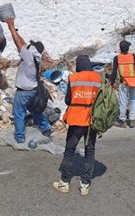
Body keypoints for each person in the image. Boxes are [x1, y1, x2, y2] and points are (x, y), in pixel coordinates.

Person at [53, 55, 102, 196]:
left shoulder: (74, 78)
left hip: (76, 119)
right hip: (92, 120)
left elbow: (68, 100)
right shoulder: (98, 78)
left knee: (69, 150)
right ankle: (85, 185)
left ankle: (64, 183)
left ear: (79, 65)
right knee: (90, 150)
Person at [5, 18, 51, 143]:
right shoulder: (35, 58)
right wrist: (12, 29)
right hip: (33, 90)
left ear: (32, 49)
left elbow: (18, 43)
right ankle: (46, 128)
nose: (27, 46)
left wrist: (11, 26)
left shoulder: (29, 58)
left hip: (23, 92)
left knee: (19, 114)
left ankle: (20, 138)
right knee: (35, 111)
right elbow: (23, 43)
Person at [111, 40, 135, 128]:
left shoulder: (117, 58)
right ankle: (131, 120)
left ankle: (122, 121)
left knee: (122, 101)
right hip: (133, 82)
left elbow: (114, 72)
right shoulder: (132, 56)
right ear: (128, 48)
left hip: (123, 82)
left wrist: (111, 83)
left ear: (120, 48)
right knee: (132, 100)